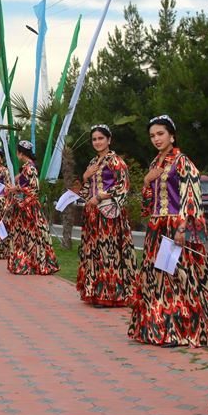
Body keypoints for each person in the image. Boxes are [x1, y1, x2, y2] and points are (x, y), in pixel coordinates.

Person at [129, 115, 208, 347]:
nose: (156, 139)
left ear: (172, 135)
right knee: (159, 278)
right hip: (157, 227)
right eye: (152, 135)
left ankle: (183, 329)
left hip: (176, 226)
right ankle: (161, 326)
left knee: (181, 277)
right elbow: (147, 204)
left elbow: (191, 196)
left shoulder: (182, 162)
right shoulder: (155, 163)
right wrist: (146, 181)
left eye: (160, 134)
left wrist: (183, 227)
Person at [76, 125, 136, 307]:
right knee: (93, 252)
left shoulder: (115, 161)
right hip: (93, 215)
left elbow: (123, 185)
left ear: (109, 140)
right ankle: (95, 290)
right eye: (94, 139)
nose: (97, 142)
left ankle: (111, 293)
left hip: (108, 215)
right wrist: (85, 177)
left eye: (101, 138)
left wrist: (101, 195)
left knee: (109, 252)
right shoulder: (93, 162)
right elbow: (85, 193)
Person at [6, 141, 60, 275]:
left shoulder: (29, 167)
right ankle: (29, 263)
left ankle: (33, 263)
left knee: (32, 236)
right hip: (24, 207)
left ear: (20, 153)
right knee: (28, 237)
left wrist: (16, 188)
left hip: (29, 208)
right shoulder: (27, 167)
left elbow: (35, 189)